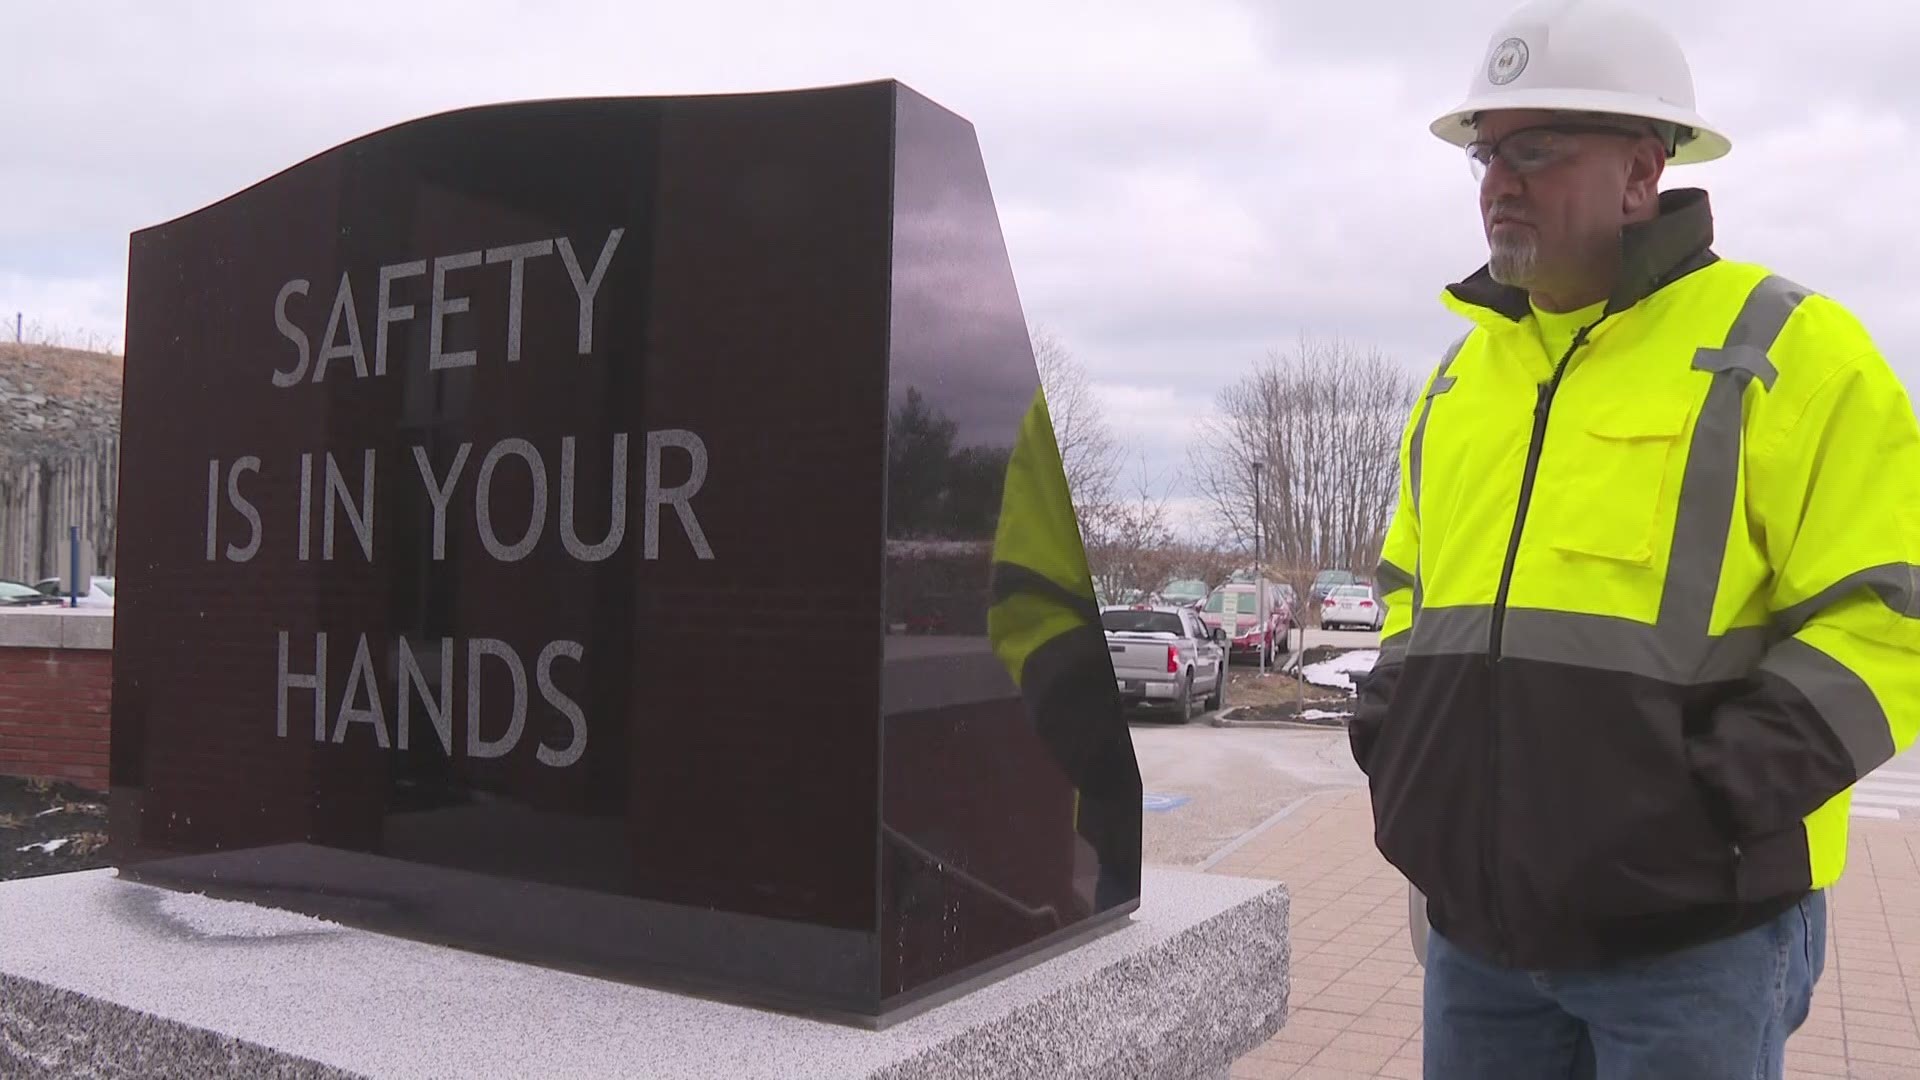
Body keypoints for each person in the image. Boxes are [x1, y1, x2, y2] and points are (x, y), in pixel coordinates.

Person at [1350, 1, 1920, 1077]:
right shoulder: (1463, 380)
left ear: (1640, 172)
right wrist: (1401, 752)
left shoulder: (1787, 349)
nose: (1497, 183)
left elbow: (1889, 619)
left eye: (1535, 149)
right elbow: (1404, 595)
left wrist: (1706, 803)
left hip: (1693, 950)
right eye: (1485, 155)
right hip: (1480, 947)